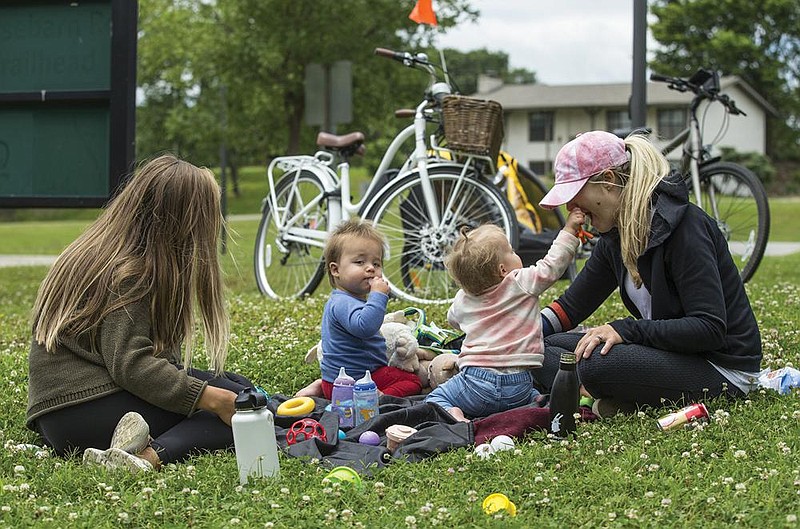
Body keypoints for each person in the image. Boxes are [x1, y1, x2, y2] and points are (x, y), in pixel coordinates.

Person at [27, 154, 254, 472]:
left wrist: (215, 390)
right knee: (240, 414)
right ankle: (144, 457)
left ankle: (135, 445)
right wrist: (212, 400)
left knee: (239, 390)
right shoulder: (131, 272)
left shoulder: (101, 250)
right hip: (85, 411)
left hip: (58, 414)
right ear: (183, 221)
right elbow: (132, 366)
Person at [535, 130, 762, 417]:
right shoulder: (614, 237)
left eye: (575, 194)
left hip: (720, 368)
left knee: (592, 364)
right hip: (672, 356)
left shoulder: (685, 227)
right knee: (536, 348)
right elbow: (569, 308)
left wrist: (626, 330)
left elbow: (709, 329)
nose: (571, 207)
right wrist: (507, 333)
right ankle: (620, 397)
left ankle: (605, 390)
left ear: (609, 181)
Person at [424, 208, 585, 422]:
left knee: (436, 397)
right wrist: (569, 230)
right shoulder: (519, 283)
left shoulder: (463, 299)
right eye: (511, 251)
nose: (516, 254)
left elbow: (453, 320)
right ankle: (536, 405)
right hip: (519, 385)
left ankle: (456, 415)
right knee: (530, 395)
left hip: (476, 385)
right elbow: (551, 266)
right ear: (503, 270)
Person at [317, 219, 422, 399]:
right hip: (354, 383)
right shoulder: (342, 302)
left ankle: (319, 387)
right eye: (359, 262)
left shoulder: (346, 300)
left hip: (337, 382)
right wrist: (378, 296)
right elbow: (364, 327)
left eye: (376, 263)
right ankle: (379, 397)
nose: (370, 269)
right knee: (414, 382)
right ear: (335, 270)